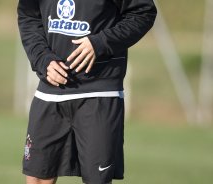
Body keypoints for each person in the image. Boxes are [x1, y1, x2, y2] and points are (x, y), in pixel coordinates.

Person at [17, 0, 157, 183]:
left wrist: (100, 42)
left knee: (97, 179)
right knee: (38, 177)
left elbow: (143, 13)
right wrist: (43, 59)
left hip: (99, 92)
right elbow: (29, 16)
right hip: (50, 92)